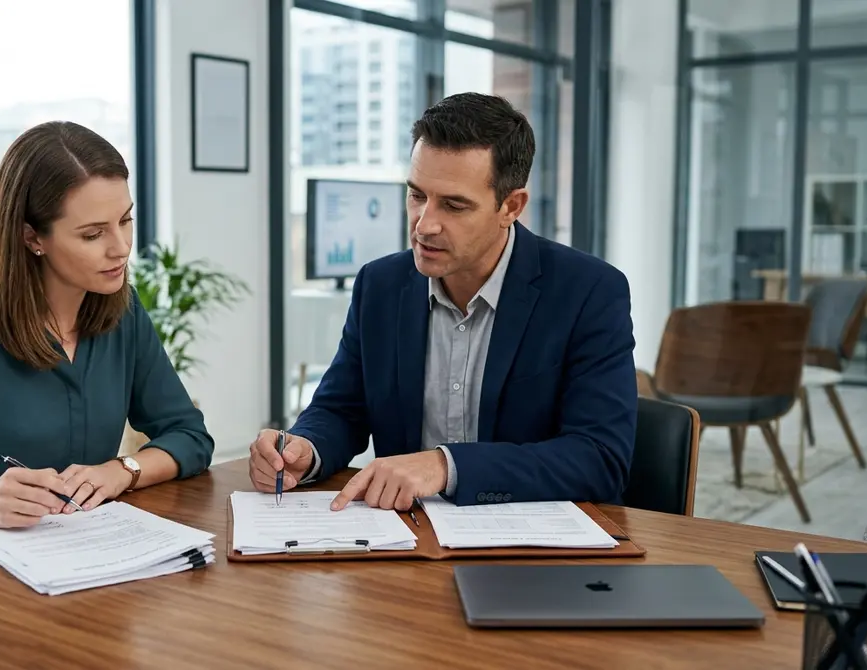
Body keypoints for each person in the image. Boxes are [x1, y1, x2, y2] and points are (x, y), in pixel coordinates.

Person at [249, 93, 636, 511]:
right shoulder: (379, 285)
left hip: (533, 553)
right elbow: (342, 409)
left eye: (453, 205)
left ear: (511, 206)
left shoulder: (589, 291)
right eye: (417, 196)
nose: (425, 224)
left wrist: (446, 466)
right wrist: (304, 449)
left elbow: (599, 459)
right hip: (404, 540)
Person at [0, 121, 214, 530]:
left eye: (125, 220)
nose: (121, 248)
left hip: (87, 557)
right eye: (93, 234)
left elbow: (189, 436)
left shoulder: (122, 312)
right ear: (32, 237)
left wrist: (122, 470)